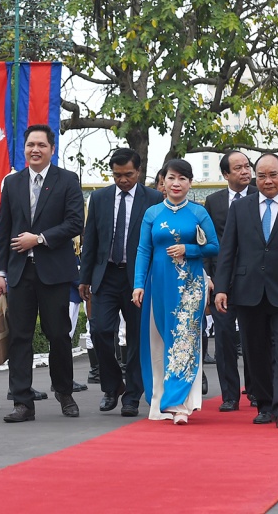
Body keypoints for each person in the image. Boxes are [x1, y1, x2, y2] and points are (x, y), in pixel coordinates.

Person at [214, 153, 278, 429]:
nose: (267, 180)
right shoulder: (240, 208)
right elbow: (228, 251)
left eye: (273, 175)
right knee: (255, 351)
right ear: (254, 177)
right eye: (261, 175)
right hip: (248, 291)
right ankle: (264, 404)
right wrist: (222, 288)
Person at [0, 125, 84, 423]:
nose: (36, 150)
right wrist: (0, 272)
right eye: (31, 145)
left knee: (58, 334)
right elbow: (4, 229)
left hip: (54, 272)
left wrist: (40, 238)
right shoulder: (13, 183)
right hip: (20, 273)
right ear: (24, 149)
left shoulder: (67, 181)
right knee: (20, 337)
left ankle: (64, 392)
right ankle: (22, 401)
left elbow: (75, 223)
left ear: (52, 148)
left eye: (41, 145)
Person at [132, 159, 219, 424]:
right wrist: (137, 284)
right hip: (157, 283)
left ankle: (179, 404)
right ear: (163, 182)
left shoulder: (198, 213)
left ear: (190, 183)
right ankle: (160, 399)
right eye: (171, 178)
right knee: (158, 341)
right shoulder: (152, 213)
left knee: (185, 340)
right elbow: (143, 250)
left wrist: (189, 250)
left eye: (182, 178)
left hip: (189, 286)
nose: (176, 183)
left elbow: (214, 246)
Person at [79, 148, 163, 417]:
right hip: (106, 275)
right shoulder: (100, 198)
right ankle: (112, 386)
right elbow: (90, 238)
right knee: (100, 331)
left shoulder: (153, 198)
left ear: (138, 172)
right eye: (117, 175)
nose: (122, 180)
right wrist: (85, 278)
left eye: (128, 174)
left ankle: (132, 396)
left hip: (139, 278)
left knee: (138, 338)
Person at [203, 151, 257, 412]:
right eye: (238, 168)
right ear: (226, 174)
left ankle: (257, 390)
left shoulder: (261, 196)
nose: (245, 171)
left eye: (248, 166)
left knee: (253, 337)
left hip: (254, 279)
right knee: (224, 338)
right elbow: (206, 242)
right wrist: (209, 278)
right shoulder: (213, 202)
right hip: (221, 280)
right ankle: (229, 395)